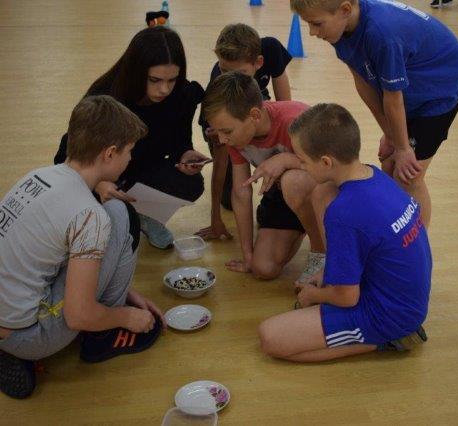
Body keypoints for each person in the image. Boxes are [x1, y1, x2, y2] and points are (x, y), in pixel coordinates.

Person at [0, 96, 165, 399]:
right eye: (129, 151)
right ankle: (102, 336)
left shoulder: (37, 176)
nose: (130, 159)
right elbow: (78, 316)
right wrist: (125, 317)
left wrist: (128, 292)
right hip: (26, 336)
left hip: (8, 316)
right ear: (110, 154)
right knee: (121, 215)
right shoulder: (88, 215)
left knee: (99, 223)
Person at [258, 103, 431, 362]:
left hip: (389, 316)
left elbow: (347, 297)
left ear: (326, 162)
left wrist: (314, 294)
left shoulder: (344, 214)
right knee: (323, 192)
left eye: (303, 160)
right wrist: (329, 274)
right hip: (406, 299)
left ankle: (388, 340)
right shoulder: (374, 174)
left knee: (271, 338)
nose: (300, 165)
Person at [291, 0, 458, 228]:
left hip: (441, 85)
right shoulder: (340, 28)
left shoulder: (382, 35)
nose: (312, 32)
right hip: (410, 82)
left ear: (345, 10)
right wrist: (390, 134)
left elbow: (393, 97)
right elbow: (363, 80)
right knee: (389, 163)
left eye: (316, 24)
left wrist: (403, 148)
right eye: (308, 24)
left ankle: (416, 244)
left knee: (408, 177)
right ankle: (391, 231)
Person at [54, 26, 209, 249]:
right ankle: (120, 214)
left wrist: (185, 154)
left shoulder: (182, 94)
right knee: (107, 230)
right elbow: (66, 157)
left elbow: (180, 140)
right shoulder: (105, 98)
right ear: (136, 72)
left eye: (172, 80)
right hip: (103, 176)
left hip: (142, 173)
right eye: (154, 80)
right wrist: (98, 183)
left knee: (191, 183)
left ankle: (144, 215)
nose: (164, 89)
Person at [201, 72, 325, 283]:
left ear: (255, 115)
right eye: (218, 131)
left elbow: (332, 170)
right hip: (282, 195)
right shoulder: (236, 136)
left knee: (293, 181)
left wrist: (286, 159)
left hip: (322, 195)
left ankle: (320, 253)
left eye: (226, 131)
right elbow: (241, 192)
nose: (221, 139)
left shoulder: (295, 121)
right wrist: (248, 255)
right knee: (262, 269)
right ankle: (302, 225)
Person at [197, 23, 293, 241]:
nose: (231, 79)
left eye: (240, 73)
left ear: (258, 62)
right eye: (224, 70)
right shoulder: (219, 89)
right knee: (230, 201)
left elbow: (285, 107)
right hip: (222, 116)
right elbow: (221, 161)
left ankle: (274, 199)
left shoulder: (271, 49)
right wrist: (215, 218)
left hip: (258, 104)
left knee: (280, 161)